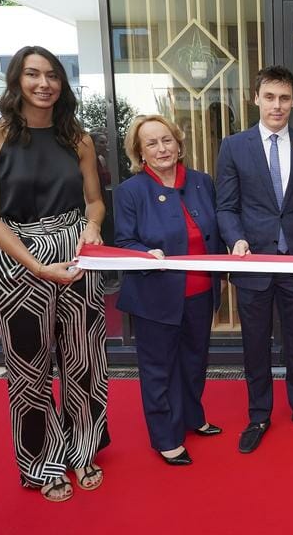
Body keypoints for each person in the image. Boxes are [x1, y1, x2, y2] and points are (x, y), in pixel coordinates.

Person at [0, 46, 108, 502]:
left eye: (52, 75)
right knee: (29, 370)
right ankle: (42, 464)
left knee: (84, 362)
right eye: (33, 74)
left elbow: (94, 200)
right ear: (16, 80)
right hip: (18, 256)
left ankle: (83, 450)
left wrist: (92, 228)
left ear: (62, 84)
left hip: (77, 254)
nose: (43, 83)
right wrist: (35, 264)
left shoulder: (78, 138)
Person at [215, 65, 293, 454]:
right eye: (269, 97)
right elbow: (226, 206)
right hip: (253, 264)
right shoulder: (234, 146)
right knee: (255, 345)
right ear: (256, 99)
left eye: (284, 98)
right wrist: (236, 240)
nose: (277, 105)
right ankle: (259, 414)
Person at [113, 115, 225, 466]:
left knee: (195, 361)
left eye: (167, 140)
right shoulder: (130, 192)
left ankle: (193, 417)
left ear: (178, 143)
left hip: (201, 292)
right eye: (152, 143)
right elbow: (124, 241)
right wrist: (144, 254)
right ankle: (165, 437)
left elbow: (216, 229)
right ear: (139, 152)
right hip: (155, 296)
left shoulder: (201, 182)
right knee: (159, 368)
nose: (162, 148)